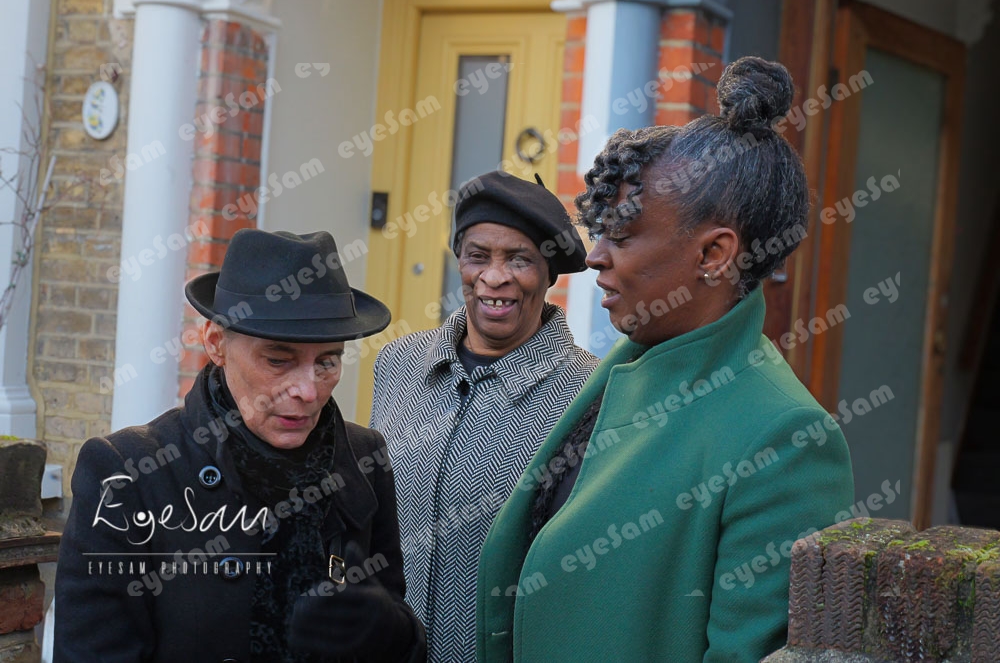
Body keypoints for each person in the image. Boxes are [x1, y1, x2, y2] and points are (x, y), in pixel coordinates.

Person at [476, 57, 855, 662]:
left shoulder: (787, 439)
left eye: (623, 237)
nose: (594, 256)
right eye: (599, 232)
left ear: (714, 254)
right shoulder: (627, 364)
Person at [55, 229, 426, 662]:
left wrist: (388, 632)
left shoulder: (362, 458)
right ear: (216, 343)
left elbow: (401, 640)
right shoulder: (129, 470)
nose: (308, 390)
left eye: (327, 361)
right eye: (278, 360)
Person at [369, 171, 599, 661]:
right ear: (459, 261)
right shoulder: (398, 364)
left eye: (520, 259)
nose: (495, 277)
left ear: (549, 274)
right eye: (478, 256)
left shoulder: (590, 393)